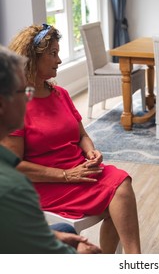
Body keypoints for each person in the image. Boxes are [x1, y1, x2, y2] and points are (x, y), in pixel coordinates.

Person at [2, 24, 140, 254]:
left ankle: (126, 260)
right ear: (33, 59)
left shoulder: (60, 94)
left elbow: (82, 135)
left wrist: (90, 151)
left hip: (79, 170)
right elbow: (15, 167)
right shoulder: (17, 105)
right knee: (119, 193)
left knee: (121, 185)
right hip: (46, 183)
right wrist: (66, 175)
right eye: (53, 54)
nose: (59, 60)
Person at [0, 45, 101, 253]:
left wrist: (57, 236)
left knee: (63, 228)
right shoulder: (14, 188)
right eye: (24, 91)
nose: (29, 98)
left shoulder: (7, 165)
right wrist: (82, 255)